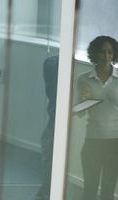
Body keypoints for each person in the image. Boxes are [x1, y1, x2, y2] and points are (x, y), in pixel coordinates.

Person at [76, 35, 118, 200]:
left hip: (115, 142)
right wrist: (85, 100)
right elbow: (78, 112)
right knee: (89, 189)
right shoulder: (84, 79)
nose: (107, 56)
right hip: (93, 141)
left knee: (108, 191)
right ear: (94, 54)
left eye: (110, 52)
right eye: (102, 52)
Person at [35, 55, 58, 200]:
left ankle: (46, 191)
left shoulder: (52, 64)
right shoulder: (53, 64)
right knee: (49, 156)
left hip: (54, 123)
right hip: (54, 123)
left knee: (49, 156)